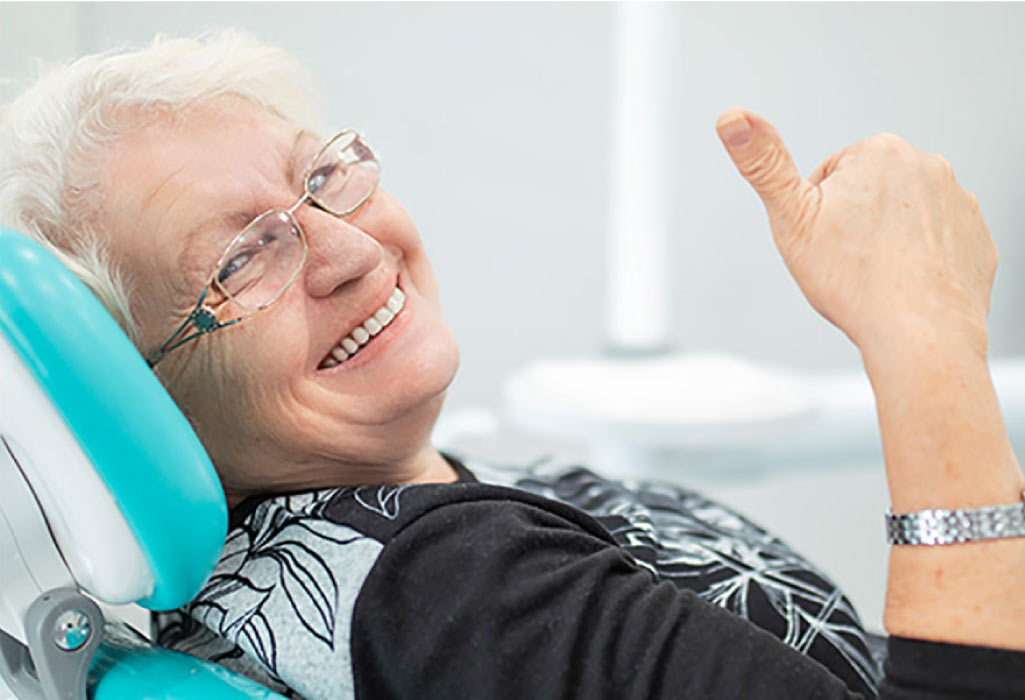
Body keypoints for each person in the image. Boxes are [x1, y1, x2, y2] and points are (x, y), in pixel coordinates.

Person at [1, 32, 1023, 699]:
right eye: (241, 257)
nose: (353, 249)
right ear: (137, 395)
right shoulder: (452, 591)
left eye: (320, 177)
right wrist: (924, 341)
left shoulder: (356, 536)